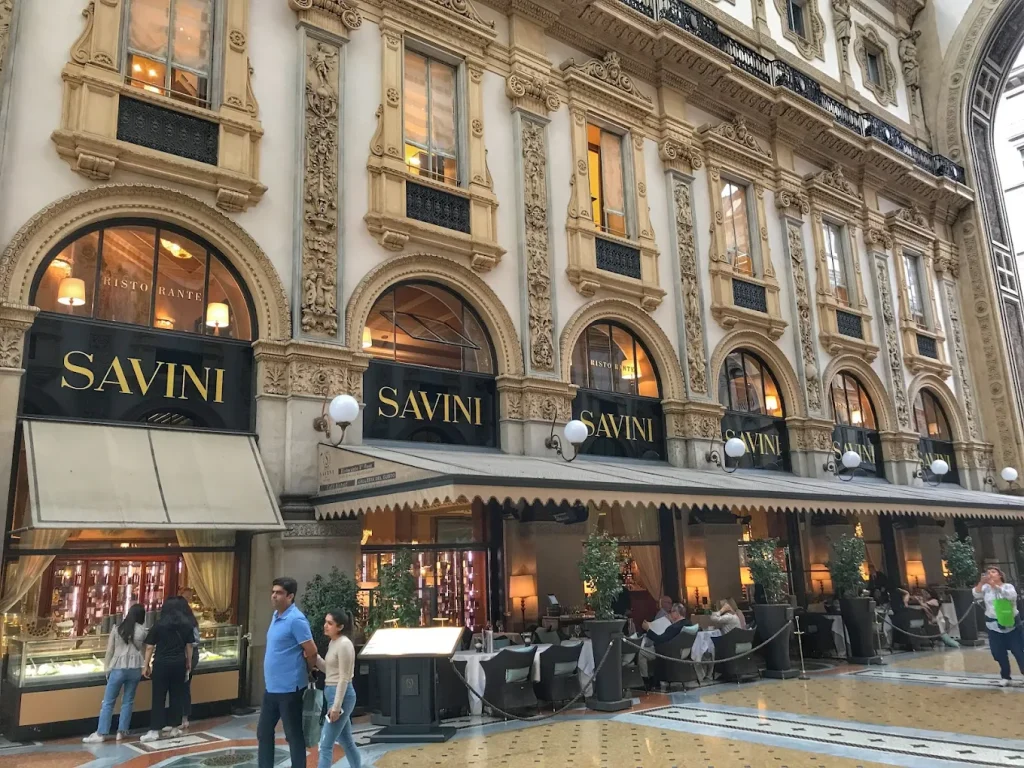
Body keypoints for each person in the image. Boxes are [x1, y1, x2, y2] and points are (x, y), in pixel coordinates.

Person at [258, 577, 318, 768]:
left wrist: (308, 669)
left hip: (290, 688)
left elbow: (312, 650)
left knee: (293, 734)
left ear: (290, 596)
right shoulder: (276, 616)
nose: (274, 596)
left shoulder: (296, 620)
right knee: (264, 732)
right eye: (273, 592)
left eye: (279, 593)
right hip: (272, 688)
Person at [83, 604, 147, 743]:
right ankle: (121, 732)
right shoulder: (142, 631)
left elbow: (110, 651)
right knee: (128, 701)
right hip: (135, 669)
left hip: (118, 668)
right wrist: (145, 665)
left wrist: (107, 668)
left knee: (108, 702)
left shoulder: (117, 629)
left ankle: (102, 733)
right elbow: (143, 650)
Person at [140, 596, 194, 742]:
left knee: (158, 696)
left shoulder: (159, 625)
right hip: (179, 664)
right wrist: (188, 662)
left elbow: (149, 646)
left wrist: (146, 665)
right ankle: (175, 728)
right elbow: (189, 646)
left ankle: (155, 730)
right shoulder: (186, 625)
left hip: (161, 663)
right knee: (176, 695)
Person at [315, 610, 362, 768]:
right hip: (333, 693)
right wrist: (315, 658)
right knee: (346, 741)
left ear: (340, 626)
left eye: (330, 623)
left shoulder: (344, 644)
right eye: (326, 622)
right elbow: (330, 671)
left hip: (341, 695)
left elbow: (343, 677)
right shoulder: (333, 642)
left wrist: (336, 707)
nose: (325, 626)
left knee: (325, 744)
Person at [973, 566, 1024, 687]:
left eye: (993, 572)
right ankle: (1006, 676)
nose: (990, 574)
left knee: (1018, 651)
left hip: (1011, 624)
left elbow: (1011, 597)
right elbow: (976, 594)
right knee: (998, 652)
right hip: (993, 625)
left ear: (1000, 575)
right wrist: (981, 582)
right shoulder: (985, 588)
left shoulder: (1008, 587)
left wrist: (995, 586)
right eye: (988, 572)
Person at [179, 598, 201, 730]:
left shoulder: (187, 624)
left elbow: (194, 641)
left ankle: (183, 717)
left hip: (188, 656)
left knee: (183, 687)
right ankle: (183, 717)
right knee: (185, 687)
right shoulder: (192, 622)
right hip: (191, 656)